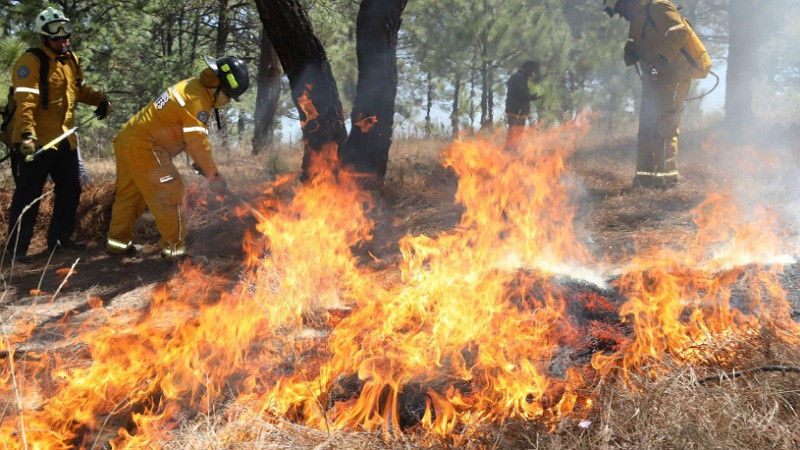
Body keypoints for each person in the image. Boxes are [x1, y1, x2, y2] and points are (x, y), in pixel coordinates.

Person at [105, 56, 249, 261]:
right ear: (219, 86)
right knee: (172, 193)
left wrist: (200, 164)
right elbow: (197, 141)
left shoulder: (193, 86)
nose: (226, 101)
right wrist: (213, 175)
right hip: (147, 146)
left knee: (130, 195)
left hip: (128, 140)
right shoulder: (198, 101)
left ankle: (117, 244)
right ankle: (175, 252)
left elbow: (186, 136)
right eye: (228, 95)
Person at [7, 7, 110, 262]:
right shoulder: (31, 61)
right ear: (44, 38)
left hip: (65, 139)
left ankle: (60, 241)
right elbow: (25, 103)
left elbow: (79, 90)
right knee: (28, 195)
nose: (63, 41)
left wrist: (100, 100)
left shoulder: (71, 60)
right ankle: (16, 250)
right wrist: (28, 137)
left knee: (70, 190)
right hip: (36, 142)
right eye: (57, 38)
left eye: (66, 37)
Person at [604, 0, 693, 189]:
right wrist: (630, 51)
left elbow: (679, 32)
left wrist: (661, 59)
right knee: (646, 128)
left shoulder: (659, 7)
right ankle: (644, 180)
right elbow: (634, 42)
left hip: (674, 74)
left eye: (620, 9)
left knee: (664, 126)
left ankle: (667, 181)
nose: (620, 14)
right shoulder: (637, 18)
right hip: (653, 78)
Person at [505, 60, 542, 151]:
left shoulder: (518, 77)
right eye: (532, 70)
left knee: (514, 132)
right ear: (527, 68)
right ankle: (510, 152)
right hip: (516, 112)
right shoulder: (519, 77)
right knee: (516, 132)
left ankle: (510, 152)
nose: (532, 73)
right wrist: (532, 97)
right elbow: (521, 93)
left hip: (515, 110)